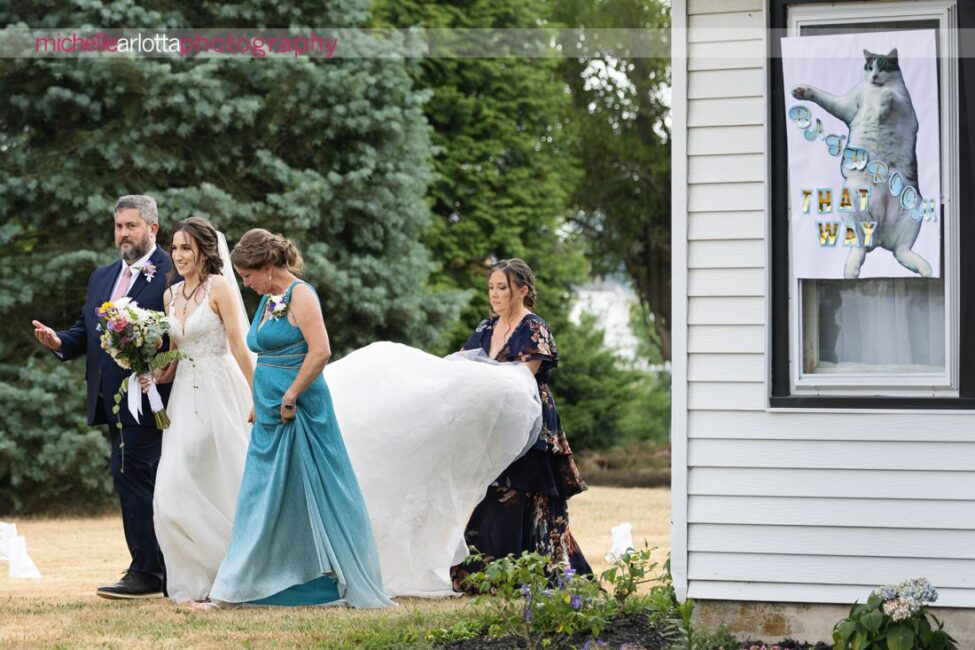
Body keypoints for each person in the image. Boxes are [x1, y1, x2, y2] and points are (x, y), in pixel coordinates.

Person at [202, 228, 392, 608]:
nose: (247, 283)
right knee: (263, 497)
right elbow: (265, 352)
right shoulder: (270, 297)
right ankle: (251, 584)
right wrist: (261, 399)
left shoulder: (300, 295)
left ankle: (314, 581)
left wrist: (291, 395)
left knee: (317, 492)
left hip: (299, 411)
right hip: (270, 412)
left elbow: (320, 351)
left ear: (268, 267)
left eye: (249, 275)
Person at [31, 195, 172, 599]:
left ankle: (148, 573)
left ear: (152, 229)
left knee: (132, 477)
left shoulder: (170, 271)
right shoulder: (102, 276)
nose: (123, 234)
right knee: (135, 478)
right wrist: (60, 340)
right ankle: (156, 569)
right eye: (118, 226)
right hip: (113, 401)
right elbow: (85, 331)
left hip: (156, 398)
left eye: (131, 226)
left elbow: (180, 329)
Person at [451, 258, 592, 589]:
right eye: (491, 288)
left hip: (531, 425)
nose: (495, 294)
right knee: (495, 495)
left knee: (528, 497)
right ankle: (493, 577)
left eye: (502, 288)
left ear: (522, 291)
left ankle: (538, 576)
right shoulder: (486, 329)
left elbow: (520, 379)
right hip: (497, 426)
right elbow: (462, 365)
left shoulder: (534, 328)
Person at [143, 217, 254, 603]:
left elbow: (239, 348)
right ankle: (199, 576)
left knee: (220, 479)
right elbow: (176, 353)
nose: (179, 255)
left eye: (186, 247)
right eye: (175, 248)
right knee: (171, 487)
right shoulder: (170, 296)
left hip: (219, 392)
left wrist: (258, 397)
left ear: (205, 251)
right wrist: (155, 372)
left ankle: (235, 570)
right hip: (183, 398)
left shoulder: (219, 288)